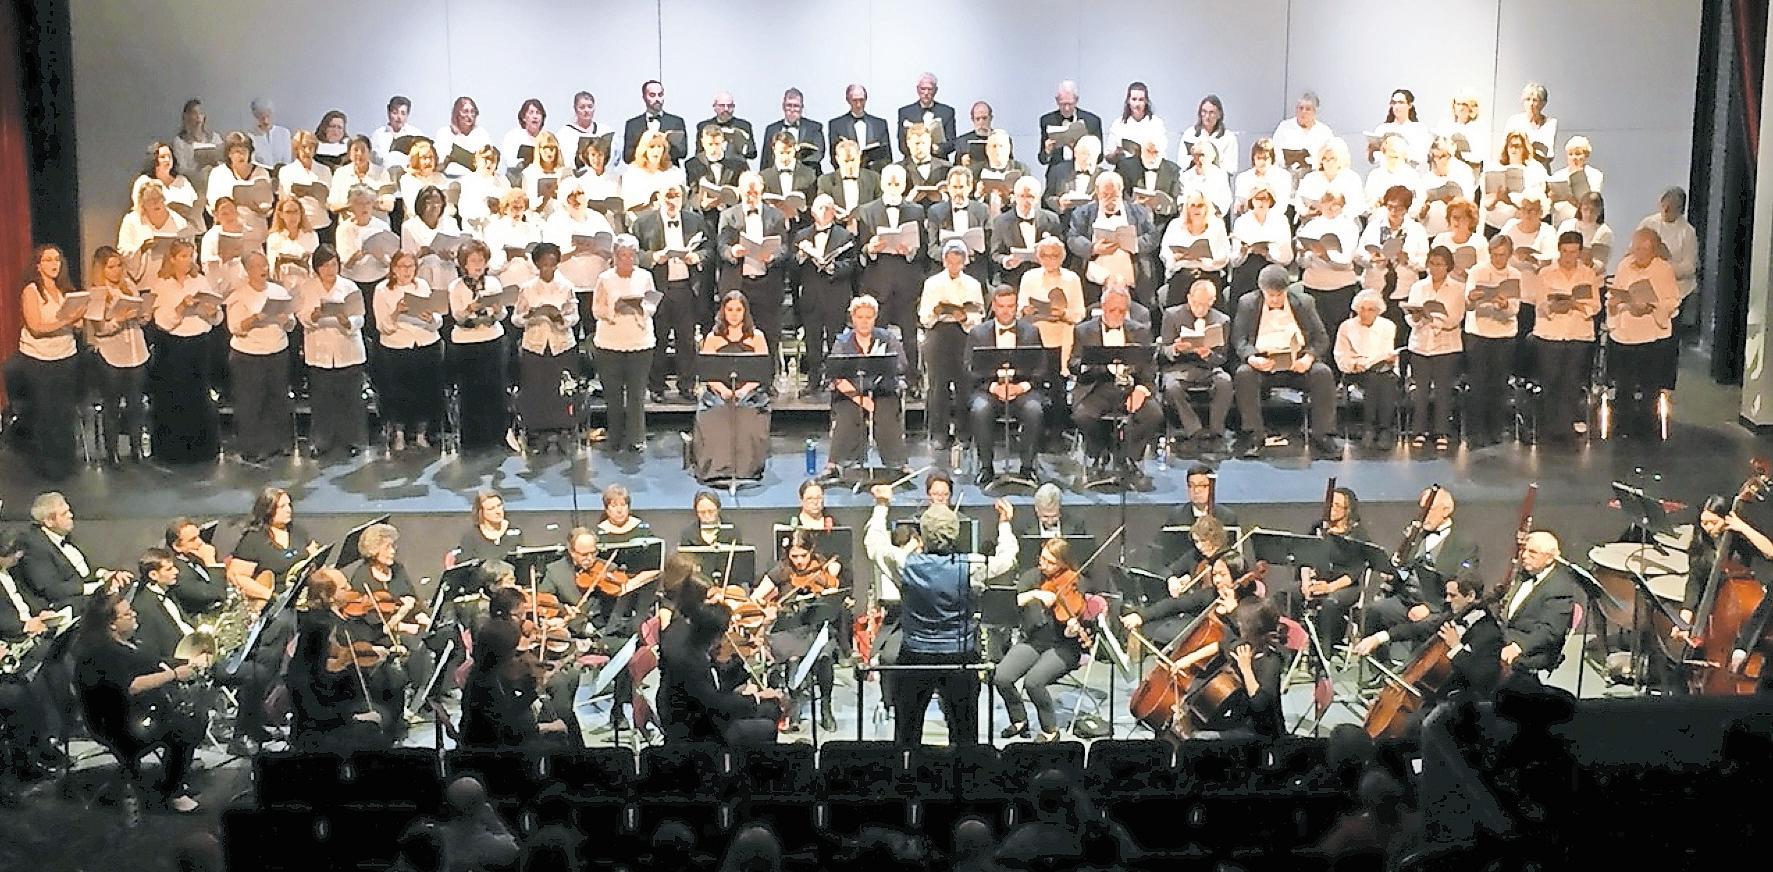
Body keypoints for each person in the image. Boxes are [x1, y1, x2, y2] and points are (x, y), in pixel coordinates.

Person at [865, 484, 1016, 745]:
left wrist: (881, 505)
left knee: (907, 734)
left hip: (915, 657)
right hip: (960, 659)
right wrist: (1004, 524)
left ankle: (908, 767)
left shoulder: (906, 564)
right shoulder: (970, 566)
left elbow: (875, 545)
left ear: (922, 536)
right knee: (964, 736)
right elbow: (1006, 559)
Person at [73, 590, 205, 814]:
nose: (134, 614)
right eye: (127, 614)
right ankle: (172, 791)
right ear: (111, 624)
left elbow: (153, 662)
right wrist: (174, 675)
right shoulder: (101, 653)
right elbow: (131, 686)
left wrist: (188, 662)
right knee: (185, 727)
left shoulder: (126, 643)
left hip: (135, 713)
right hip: (116, 725)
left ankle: (174, 776)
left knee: (196, 715)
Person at [223, 486, 319, 753]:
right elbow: (237, 576)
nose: (289, 510)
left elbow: (312, 557)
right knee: (265, 668)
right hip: (274, 610)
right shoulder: (254, 540)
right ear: (267, 511)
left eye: (289, 505)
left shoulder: (298, 533)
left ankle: (287, 719)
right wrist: (270, 594)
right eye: (282, 507)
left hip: (301, 604)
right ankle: (243, 730)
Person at [1352, 487, 1481, 658]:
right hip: (1406, 599)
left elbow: (1462, 587)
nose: (1423, 515)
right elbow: (1406, 570)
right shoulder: (1416, 536)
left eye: (1429, 510)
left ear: (1446, 510)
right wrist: (1393, 572)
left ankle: (1413, 668)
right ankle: (1378, 665)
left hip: (1438, 607)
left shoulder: (1464, 544)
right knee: (1373, 611)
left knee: (1424, 626)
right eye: (1421, 509)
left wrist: (1429, 607)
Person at [1232, 264, 1339, 456]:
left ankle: (1323, 434)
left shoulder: (1304, 302)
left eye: (1279, 295)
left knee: (1322, 373)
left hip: (1297, 363)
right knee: (1244, 374)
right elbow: (1239, 339)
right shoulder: (1247, 303)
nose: (1274, 299)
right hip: (1263, 364)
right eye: (1270, 295)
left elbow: (1321, 338)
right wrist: (1252, 357)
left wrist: (1309, 357)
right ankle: (1254, 435)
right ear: (1261, 290)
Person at [752, 529, 851, 732]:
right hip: (788, 629)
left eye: (803, 556)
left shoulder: (823, 568)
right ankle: (793, 704)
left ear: (811, 551)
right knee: (793, 655)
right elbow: (756, 598)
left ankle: (826, 707)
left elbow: (834, 597)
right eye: (794, 556)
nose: (799, 561)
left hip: (815, 629)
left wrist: (832, 590)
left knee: (824, 657)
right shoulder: (781, 571)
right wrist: (768, 607)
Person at [997, 538, 1094, 741]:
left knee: (1034, 682)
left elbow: (1085, 618)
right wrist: (1035, 594)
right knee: (1002, 677)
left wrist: (1072, 630)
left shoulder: (1075, 581)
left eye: (1051, 562)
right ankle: (1019, 720)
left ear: (1063, 563)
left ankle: (1050, 731)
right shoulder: (1032, 577)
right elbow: (1011, 601)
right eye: (1042, 558)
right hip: (1034, 641)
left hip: (1064, 646)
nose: (1043, 564)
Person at [284, 568, 390, 754]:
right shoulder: (319, 631)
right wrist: (359, 717)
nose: (350, 589)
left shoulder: (312, 633)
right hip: (319, 733)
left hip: (318, 721)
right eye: (343, 587)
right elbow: (321, 708)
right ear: (328, 595)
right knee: (380, 723)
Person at [1071, 284, 1161, 490]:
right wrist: (1088, 364)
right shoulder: (1083, 331)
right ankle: (1099, 451)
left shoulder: (1140, 331)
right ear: (1103, 307)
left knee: (1153, 414)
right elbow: (1073, 362)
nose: (1117, 315)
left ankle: (1126, 456)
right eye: (1113, 310)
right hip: (1097, 387)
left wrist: (1141, 390)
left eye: (1122, 310)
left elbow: (1149, 367)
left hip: (1130, 387)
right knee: (1082, 416)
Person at [634, 183, 714, 403]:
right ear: (659, 197)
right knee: (658, 339)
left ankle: (687, 385)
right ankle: (656, 387)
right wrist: (653, 257)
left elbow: (709, 249)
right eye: (667, 196)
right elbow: (635, 254)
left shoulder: (695, 220)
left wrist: (697, 257)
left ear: (683, 197)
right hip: (657, 289)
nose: (672, 201)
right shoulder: (643, 223)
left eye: (676, 196)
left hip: (685, 288)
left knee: (686, 340)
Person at [12, 245, 83, 479]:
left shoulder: (65, 290)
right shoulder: (32, 291)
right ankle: (49, 466)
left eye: (57, 259)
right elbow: (36, 327)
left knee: (64, 411)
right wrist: (67, 320)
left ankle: (66, 463)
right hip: (39, 359)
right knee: (46, 412)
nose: (54, 264)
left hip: (66, 355)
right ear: (38, 265)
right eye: (48, 260)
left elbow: (75, 325)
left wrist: (78, 322)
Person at [295, 245, 369, 459]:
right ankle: (321, 441)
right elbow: (301, 316)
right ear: (317, 268)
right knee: (321, 400)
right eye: (325, 266)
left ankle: (353, 440)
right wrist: (313, 316)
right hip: (320, 352)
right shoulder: (307, 288)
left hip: (348, 350)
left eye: (334, 264)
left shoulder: (349, 286)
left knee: (350, 399)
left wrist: (348, 321)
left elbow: (360, 316)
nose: (330, 270)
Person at [1608, 228, 1682, 439]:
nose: (1639, 254)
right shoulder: (1624, 265)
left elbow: (1672, 300)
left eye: (1644, 250)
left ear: (1654, 250)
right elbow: (1616, 293)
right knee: (1624, 383)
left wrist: (1651, 306)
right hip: (1626, 332)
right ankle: (1623, 424)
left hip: (1651, 333)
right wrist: (1616, 302)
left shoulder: (1663, 269)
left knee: (1650, 384)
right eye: (1636, 248)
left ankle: (1647, 425)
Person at [968, 285, 1046, 486]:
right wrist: (994, 387)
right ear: (994, 306)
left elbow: (1041, 368)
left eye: (1010, 306)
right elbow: (969, 370)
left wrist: (1021, 387)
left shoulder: (1031, 332)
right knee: (980, 410)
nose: (1006, 311)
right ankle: (986, 467)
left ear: (1016, 307)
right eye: (1001, 306)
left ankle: (1027, 468)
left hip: (1022, 389)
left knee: (1034, 410)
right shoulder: (977, 333)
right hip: (989, 390)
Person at [855, 163, 928, 379]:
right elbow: (860, 248)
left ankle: (913, 380)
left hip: (906, 285)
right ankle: (876, 380)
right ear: (882, 184)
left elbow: (923, 249)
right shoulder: (867, 210)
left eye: (898, 183)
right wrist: (871, 249)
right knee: (876, 336)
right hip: (878, 285)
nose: (894, 187)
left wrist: (911, 251)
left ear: (904, 185)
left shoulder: (916, 211)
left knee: (910, 338)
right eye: (890, 183)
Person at [826, 294, 911, 476]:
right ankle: (836, 463)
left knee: (886, 413)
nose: (864, 322)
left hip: (882, 390)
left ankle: (898, 464)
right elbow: (836, 377)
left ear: (875, 318)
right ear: (853, 318)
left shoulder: (888, 338)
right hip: (851, 393)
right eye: (860, 317)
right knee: (848, 414)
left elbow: (901, 364)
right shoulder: (842, 342)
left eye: (868, 317)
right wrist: (861, 399)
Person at [226, 251, 297, 464]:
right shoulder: (239, 296)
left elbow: (291, 324)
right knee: (251, 402)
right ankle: (252, 448)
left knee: (278, 398)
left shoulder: (278, 291)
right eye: (257, 266)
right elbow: (235, 327)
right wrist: (255, 319)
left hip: (277, 351)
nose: (263, 270)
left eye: (265, 265)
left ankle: (280, 443)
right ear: (248, 271)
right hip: (249, 355)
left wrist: (285, 320)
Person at [1532, 231, 1603, 444]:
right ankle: (1548, 426)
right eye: (1564, 251)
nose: (1568, 257)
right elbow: (1540, 303)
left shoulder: (1588, 274)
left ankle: (1565, 426)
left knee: (1571, 381)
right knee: (1551, 380)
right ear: (1559, 250)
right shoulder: (1546, 273)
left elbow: (1595, 305)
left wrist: (1576, 305)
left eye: (1573, 252)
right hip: (1550, 334)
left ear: (1579, 252)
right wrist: (1555, 306)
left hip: (1578, 334)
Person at [81, 247, 149, 465]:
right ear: (101, 269)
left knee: (136, 404)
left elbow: (141, 319)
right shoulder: (97, 294)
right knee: (112, 405)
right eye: (111, 267)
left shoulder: (129, 286)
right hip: (112, 354)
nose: (116, 270)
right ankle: (112, 452)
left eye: (119, 265)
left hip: (136, 352)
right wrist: (119, 319)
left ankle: (137, 448)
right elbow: (99, 329)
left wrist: (143, 314)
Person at [694, 291, 771, 483]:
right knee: (717, 412)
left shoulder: (757, 337)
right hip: (720, 391)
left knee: (747, 412)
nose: (734, 314)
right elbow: (707, 373)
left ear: (745, 312)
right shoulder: (713, 337)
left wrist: (744, 390)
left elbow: (762, 371)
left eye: (738, 309)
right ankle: (717, 469)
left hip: (749, 391)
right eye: (730, 310)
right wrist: (724, 390)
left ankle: (746, 469)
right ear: (723, 311)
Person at [591, 235, 659, 454]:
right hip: (610, 341)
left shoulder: (645, 276)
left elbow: (652, 305)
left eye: (631, 255)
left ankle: (636, 438)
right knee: (613, 394)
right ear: (615, 256)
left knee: (636, 393)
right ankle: (615, 438)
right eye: (623, 255)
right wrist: (614, 310)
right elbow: (597, 309)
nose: (627, 260)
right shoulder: (604, 278)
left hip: (640, 341)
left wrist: (640, 307)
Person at [512, 243, 581, 453]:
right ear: (537, 264)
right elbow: (516, 318)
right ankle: (536, 432)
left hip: (561, 344)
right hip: (535, 344)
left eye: (552, 264)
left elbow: (574, 315)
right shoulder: (527, 288)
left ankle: (564, 428)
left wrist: (561, 319)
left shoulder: (566, 286)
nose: (548, 268)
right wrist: (530, 316)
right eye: (544, 264)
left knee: (561, 388)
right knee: (536, 388)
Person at [374, 250, 445, 451]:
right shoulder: (382, 290)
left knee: (425, 391)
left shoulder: (422, 286)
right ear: (393, 269)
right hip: (397, 347)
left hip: (425, 344)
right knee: (398, 392)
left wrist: (431, 318)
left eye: (411, 266)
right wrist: (396, 312)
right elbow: (382, 326)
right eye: (402, 266)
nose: (407, 271)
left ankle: (422, 434)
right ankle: (399, 435)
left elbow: (437, 319)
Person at [922, 239, 987, 454]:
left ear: (964, 262)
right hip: (939, 333)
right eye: (950, 262)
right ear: (944, 261)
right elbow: (924, 316)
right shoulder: (932, 283)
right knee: (938, 386)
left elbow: (979, 315)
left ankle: (964, 433)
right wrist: (938, 312)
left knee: (964, 385)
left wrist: (964, 317)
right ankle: (938, 434)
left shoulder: (973, 284)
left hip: (964, 335)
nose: (954, 266)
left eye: (958, 262)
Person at [718, 171, 792, 351]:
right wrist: (733, 251)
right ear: (740, 191)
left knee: (770, 335)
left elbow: (784, 247)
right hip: (739, 284)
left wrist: (772, 256)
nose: (751, 197)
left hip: (767, 285)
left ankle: (769, 370)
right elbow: (722, 245)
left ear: (762, 190)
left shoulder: (776, 215)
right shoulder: (728, 215)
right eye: (747, 193)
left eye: (755, 193)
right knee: (735, 336)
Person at [1192, 600, 1285, 740]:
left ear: (1253, 629)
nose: (1239, 624)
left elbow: (1260, 704)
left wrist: (1246, 668)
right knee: (1195, 727)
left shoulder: (1271, 661)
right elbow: (1220, 646)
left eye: (1242, 623)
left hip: (1261, 732)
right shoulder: (1247, 646)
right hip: (1240, 720)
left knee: (1198, 738)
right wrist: (1181, 663)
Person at [1158, 279, 1233, 449]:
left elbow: (1222, 357)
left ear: (1212, 301)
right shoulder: (1172, 315)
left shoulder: (1222, 320)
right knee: (1172, 387)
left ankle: (1216, 431)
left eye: (1204, 304)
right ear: (1189, 298)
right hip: (1178, 368)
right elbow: (1163, 350)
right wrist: (1176, 349)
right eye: (1196, 303)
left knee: (1225, 382)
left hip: (1207, 368)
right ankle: (1194, 430)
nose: (1199, 308)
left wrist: (1209, 354)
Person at [795, 194, 860, 389]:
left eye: (828, 208)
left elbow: (852, 264)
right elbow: (792, 269)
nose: (824, 212)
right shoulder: (801, 235)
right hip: (811, 296)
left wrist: (832, 267)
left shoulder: (845, 236)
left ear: (834, 212)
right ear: (812, 212)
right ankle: (813, 380)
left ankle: (836, 380)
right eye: (820, 208)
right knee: (812, 341)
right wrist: (801, 257)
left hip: (835, 295)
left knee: (836, 340)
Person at [1405, 246, 1468, 450]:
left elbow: (1455, 318)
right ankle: (1419, 431)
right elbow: (1410, 315)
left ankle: (1442, 431)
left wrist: (1434, 319)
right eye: (1432, 263)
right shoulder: (1418, 287)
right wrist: (1417, 317)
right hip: (1420, 344)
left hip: (1446, 346)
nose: (1435, 268)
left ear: (1448, 266)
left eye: (1439, 264)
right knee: (1421, 390)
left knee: (1443, 390)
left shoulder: (1457, 288)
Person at [1066, 172, 1158, 309]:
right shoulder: (1083, 213)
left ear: (1121, 191)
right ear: (1097, 193)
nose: (1110, 199)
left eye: (1114, 195)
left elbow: (1153, 236)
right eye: (1105, 195)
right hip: (1094, 282)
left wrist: (1134, 244)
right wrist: (1093, 248)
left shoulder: (1138, 212)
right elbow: (1073, 238)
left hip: (1132, 278)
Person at [1499, 532, 1579, 674]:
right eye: (1524, 550)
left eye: (1532, 552)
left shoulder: (1559, 588)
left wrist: (1518, 647)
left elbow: (1549, 632)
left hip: (1533, 649)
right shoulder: (1524, 574)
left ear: (1549, 558)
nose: (1524, 555)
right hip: (1507, 635)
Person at [19, 492, 112, 612]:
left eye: (69, 511)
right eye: (64, 513)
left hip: (87, 596)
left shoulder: (64, 536)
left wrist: (105, 574)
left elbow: (82, 571)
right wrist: (98, 587)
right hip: (66, 607)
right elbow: (51, 589)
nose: (71, 515)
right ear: (49, 521)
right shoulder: (34, 545)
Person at [1335, 290, 1401, 446]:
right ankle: (1371, 427)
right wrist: (1352, 364)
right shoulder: (1346, 326)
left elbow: (1387, 351)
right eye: (1362, 309)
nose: (1365, 313)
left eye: (1370, 310)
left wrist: (1389, 358)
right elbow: (1340, 354)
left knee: (1385, 378)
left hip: (1381, 368)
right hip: (1356, 370)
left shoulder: (1388, 326)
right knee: (1374, 378)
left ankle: (1383, 429)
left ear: (1378, 311)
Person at [128, 548, 201, 666]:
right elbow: (150, 653)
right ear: (153, 575)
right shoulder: (144, 607)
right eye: (169, 569)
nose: (176, 571)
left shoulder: (167, 590)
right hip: (180, 663)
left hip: (194, 648)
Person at [163, 518, 228, 615]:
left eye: (198, 536)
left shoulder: (194, 557)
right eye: (192, 540)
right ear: (177, 547)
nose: (200, 542)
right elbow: (216, 595)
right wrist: (211, 562)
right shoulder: (178, 573)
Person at [1037, 80, 1104, 167]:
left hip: (1083, 168)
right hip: (1057, 169)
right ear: (1057, 101)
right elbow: (1042, 160)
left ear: (1076, 100)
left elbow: (1100, 157)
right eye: (1062, 104)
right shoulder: (1047, 121)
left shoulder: (1092, 121)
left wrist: (1083, 151)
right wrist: (1047, 151)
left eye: (1070, 104)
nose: (1067, 108)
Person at [622, 80, 689, 165]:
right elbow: (627, 157)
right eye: (652, 95)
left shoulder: (676, 122)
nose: (657, 99)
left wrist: (665, 144)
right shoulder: (632, 124)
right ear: (644, 97)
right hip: (642, 171)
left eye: (660, 95)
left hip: (669, 170)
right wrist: (645, 146)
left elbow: (683, 152)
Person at [829, 84, 892, 172]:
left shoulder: (880, 124)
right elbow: (834, 156)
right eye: (855, 100)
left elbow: (887, 156)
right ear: (848, 100)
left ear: (866, 99)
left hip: (874, 174)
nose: (858, 105)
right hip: (848, 172)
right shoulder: (837, 125)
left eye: (861, 100)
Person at [760, 87, 825, 172]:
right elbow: (766, 160)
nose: (792, 109)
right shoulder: (771, 129)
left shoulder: (814, 127)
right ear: (783, 106)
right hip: (778, 176)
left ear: (802, 107)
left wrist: (793, 163)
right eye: (789, 105)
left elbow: (818, 154)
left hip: (808, 175)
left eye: (796, 106)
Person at [171, 99, 224, 181]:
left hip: (215, 179)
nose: (198, 116)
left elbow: (223, 160)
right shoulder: (179, 142)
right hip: (192, 181)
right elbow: (181, 169)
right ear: (186, 116)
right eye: (194, 113)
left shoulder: (215, 137)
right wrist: (198, 169)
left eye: (200, 113)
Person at [247, 97, 293, 167]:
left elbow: (287, 160)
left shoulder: (284, 133)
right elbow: (252, 162)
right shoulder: (250, 136)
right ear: (255, 116)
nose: (266, 121)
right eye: (262, 117)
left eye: (268, 116)